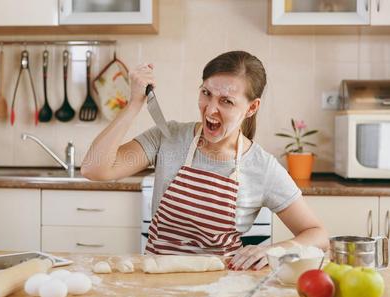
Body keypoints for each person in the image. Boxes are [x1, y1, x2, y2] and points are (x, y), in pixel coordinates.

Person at [81, 50, 329, 271]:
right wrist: (134, 103)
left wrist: (275, 250)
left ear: (252, 108)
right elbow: (94, 168)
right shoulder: (168, 138)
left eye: (226, 101)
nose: (210, 109)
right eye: (206, 94)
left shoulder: (262, 167)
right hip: (157, 283)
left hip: (223, 287)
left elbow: (318, 235)